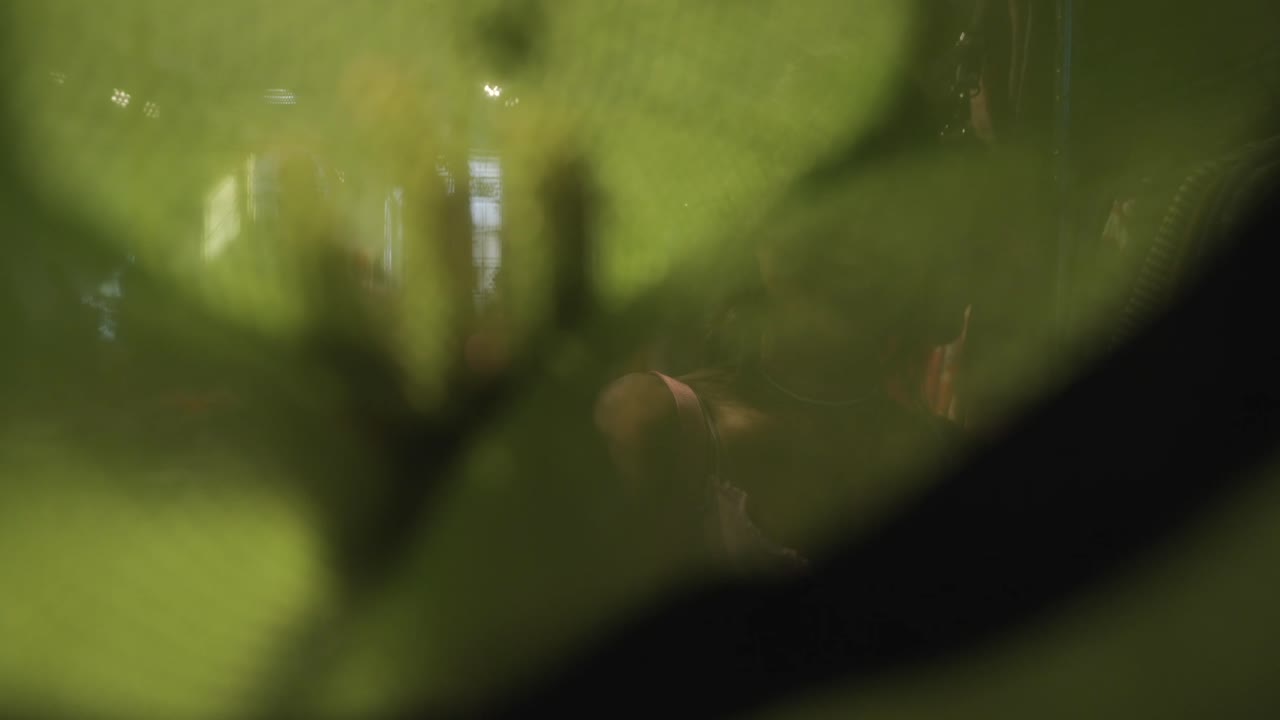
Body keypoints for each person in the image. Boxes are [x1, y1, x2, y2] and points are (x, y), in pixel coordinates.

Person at [595, 107, 979, 577]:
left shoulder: (943, 453)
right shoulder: (655, 428)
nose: (846, 238)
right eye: (819, 195)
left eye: (879, 210)